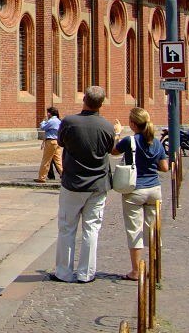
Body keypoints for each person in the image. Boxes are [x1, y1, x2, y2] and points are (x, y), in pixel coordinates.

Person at [52, 85, 119, 284]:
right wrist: (116, 133)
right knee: (92, 229)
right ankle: (86, 274)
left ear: (84, 100)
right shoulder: (107, 126)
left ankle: (63, 272)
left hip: (73, 183)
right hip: (98, 185)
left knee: (66, 228)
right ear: (102, 104)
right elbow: (111, 149)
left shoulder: (69, 122)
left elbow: (61, 143)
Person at [111, 107, 169, 280]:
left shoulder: (129, 141)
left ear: (132, 124)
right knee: (153, 231)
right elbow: (164, 168)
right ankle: (156, 269)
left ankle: (136, 271)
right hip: (154, 190)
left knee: (135, 231)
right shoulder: (156, 142)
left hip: (134, 191)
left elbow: (113, 151)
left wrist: (117, 134)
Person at [36, 106, 63, 183]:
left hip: (50, 142)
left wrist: (43, 121)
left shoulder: (51, 121)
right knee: (58, 161)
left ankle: (42, 177)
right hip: (57, 141)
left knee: (46, 160)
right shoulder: (59, 121)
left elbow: (43, 127)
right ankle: (64, 176)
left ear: (49, 113)